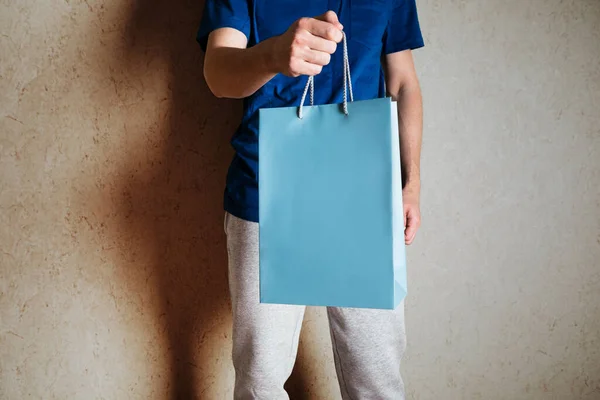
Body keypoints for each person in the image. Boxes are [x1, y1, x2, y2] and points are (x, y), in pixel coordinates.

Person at [197, 1, 424, 398]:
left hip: (366, 195)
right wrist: (272, 54)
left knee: (377, 378)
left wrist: (411, 183)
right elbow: (217, 73)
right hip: (266, 191)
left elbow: (403, 81)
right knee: (260, 376)